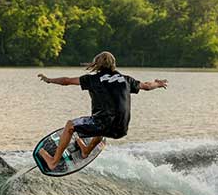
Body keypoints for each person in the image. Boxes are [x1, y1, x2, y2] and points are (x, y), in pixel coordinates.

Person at [36, 51, 167, 170]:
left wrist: (49, 80)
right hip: (121, 129)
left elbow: (66, 81)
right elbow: (147, 86)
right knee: (104, 120)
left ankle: (53, 161)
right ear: (113, 65)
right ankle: (86, 151)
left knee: (71, 125)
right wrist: (159, 84)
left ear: (97, 64)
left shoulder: (92, 79)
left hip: (102, 124)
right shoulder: (127, 80)